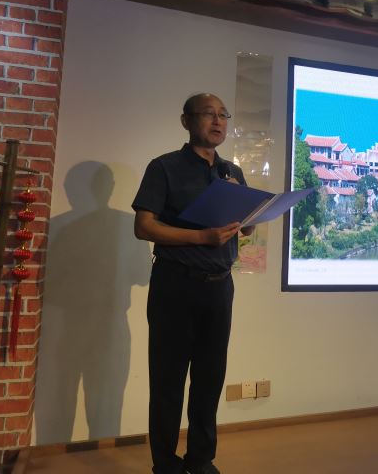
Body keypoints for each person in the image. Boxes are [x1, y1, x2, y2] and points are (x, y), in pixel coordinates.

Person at [132, 93, 253, 474]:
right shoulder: (164, 167)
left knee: (210, 379)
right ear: (186, 121)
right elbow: (144, 227)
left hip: (220, 286)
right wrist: (201, 237)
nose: (217, 122)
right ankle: (165, 465)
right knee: (168, 381)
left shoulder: (232, 172)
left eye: (223, 115)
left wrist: (249, 212)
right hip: (175, 284)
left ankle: (200, 460)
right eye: (208, 114)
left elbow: (246, 228)